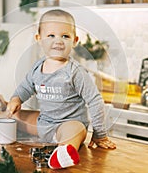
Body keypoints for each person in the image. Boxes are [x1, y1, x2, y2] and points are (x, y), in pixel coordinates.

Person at [7, 9, 116, 170]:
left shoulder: (75, 72)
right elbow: (25, 87)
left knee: (75, 129)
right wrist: (16, 98)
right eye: (51, 35)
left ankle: (63, 152)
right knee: (11, 115)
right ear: (39, 39)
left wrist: (99, 133)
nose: (58, 41)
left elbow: (95, 100)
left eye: (65, 36)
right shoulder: (37, 68)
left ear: (75, 40)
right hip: (44, 124)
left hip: (68, 124)